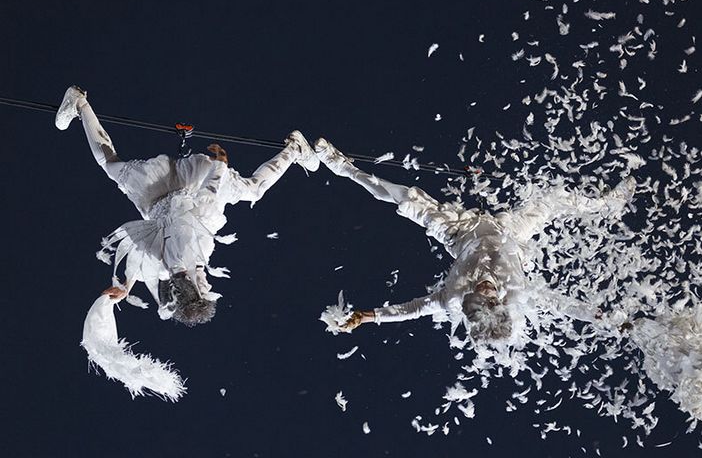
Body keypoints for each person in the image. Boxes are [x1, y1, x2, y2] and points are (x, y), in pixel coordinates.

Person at [315, 138, 636, 351]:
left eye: (475, 294)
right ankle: (605, 205)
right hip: (512, 234)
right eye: (487, 295)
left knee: (405, 199)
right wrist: (607, 319)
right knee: (553, 200)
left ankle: (341, 165)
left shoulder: (454, 298)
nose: (482, 288)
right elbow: (564, 305)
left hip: (460, 235)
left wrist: (367, 317)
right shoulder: (517, 294)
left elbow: (413, 310)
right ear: (498, 303)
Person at [56, 85, 319, 325]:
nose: (207, 283)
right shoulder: (167, 270)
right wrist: (127, 286)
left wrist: (219, 167)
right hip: (157, 190)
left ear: (194, 285)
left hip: (189, 183)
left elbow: (205, 203)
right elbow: (142, 254)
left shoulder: (196, 251)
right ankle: (80, 104)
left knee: (254, 190)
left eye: (204, 287)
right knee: (110, 165)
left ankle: (295, 148)